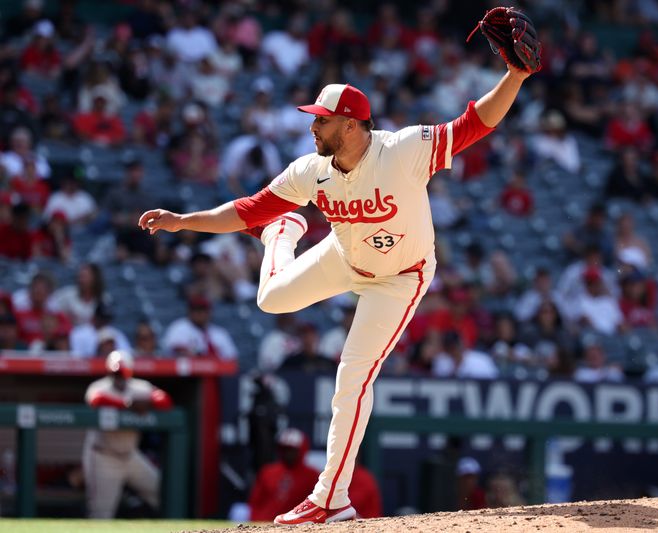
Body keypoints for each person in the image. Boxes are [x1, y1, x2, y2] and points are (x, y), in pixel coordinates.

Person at [139, 38, 534, 523]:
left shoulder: (403, 148)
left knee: (352, 379)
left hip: (399, 278)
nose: (312, 125)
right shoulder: (312, 170)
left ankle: (332, 498)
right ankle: (286, 232)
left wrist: (514, 76)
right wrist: (183, 220)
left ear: (350, 124)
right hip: (345, 256)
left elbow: (475, 123)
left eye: (321, 119)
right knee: (270, 299)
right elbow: (246, 211)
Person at [82, 350, 173, 518]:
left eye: (122, 373)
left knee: (164, 493)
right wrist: (128, 405)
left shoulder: (139, 387)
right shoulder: (99, 387)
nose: (119, 377)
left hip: (131, 456)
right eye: (116, 373)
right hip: (103, 457)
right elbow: (96, 399)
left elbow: (165, 400)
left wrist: (149, 402)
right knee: (100, 515)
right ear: (109, 372)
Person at [248, 428, 319, 522]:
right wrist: (257, 520)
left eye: (292, 450)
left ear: (301, 450)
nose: (288, 453)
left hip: (296, 523)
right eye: (284, 449)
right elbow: (255, 502)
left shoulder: (312, 475)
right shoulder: (268, 471)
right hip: (265, 521)